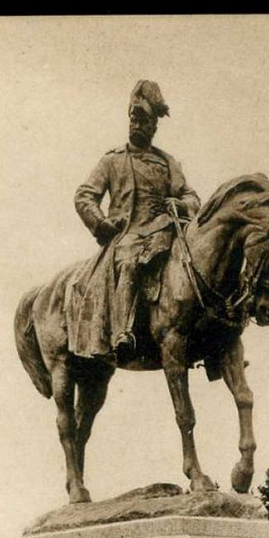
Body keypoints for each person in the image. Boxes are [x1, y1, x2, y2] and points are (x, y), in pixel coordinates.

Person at [74, 80, 201, 363]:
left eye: (145, 120)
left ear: (155, 126)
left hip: (166, 232)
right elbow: (84, 196)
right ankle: (123, 332)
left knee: (199, 265)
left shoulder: (168, 163)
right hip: (128, 235)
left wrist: (180, 204)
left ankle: (212, 342)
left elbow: (191, 196)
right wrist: (101, 223)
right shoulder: (112, 161)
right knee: (129, 262)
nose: (138, 125)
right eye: (134, 118)